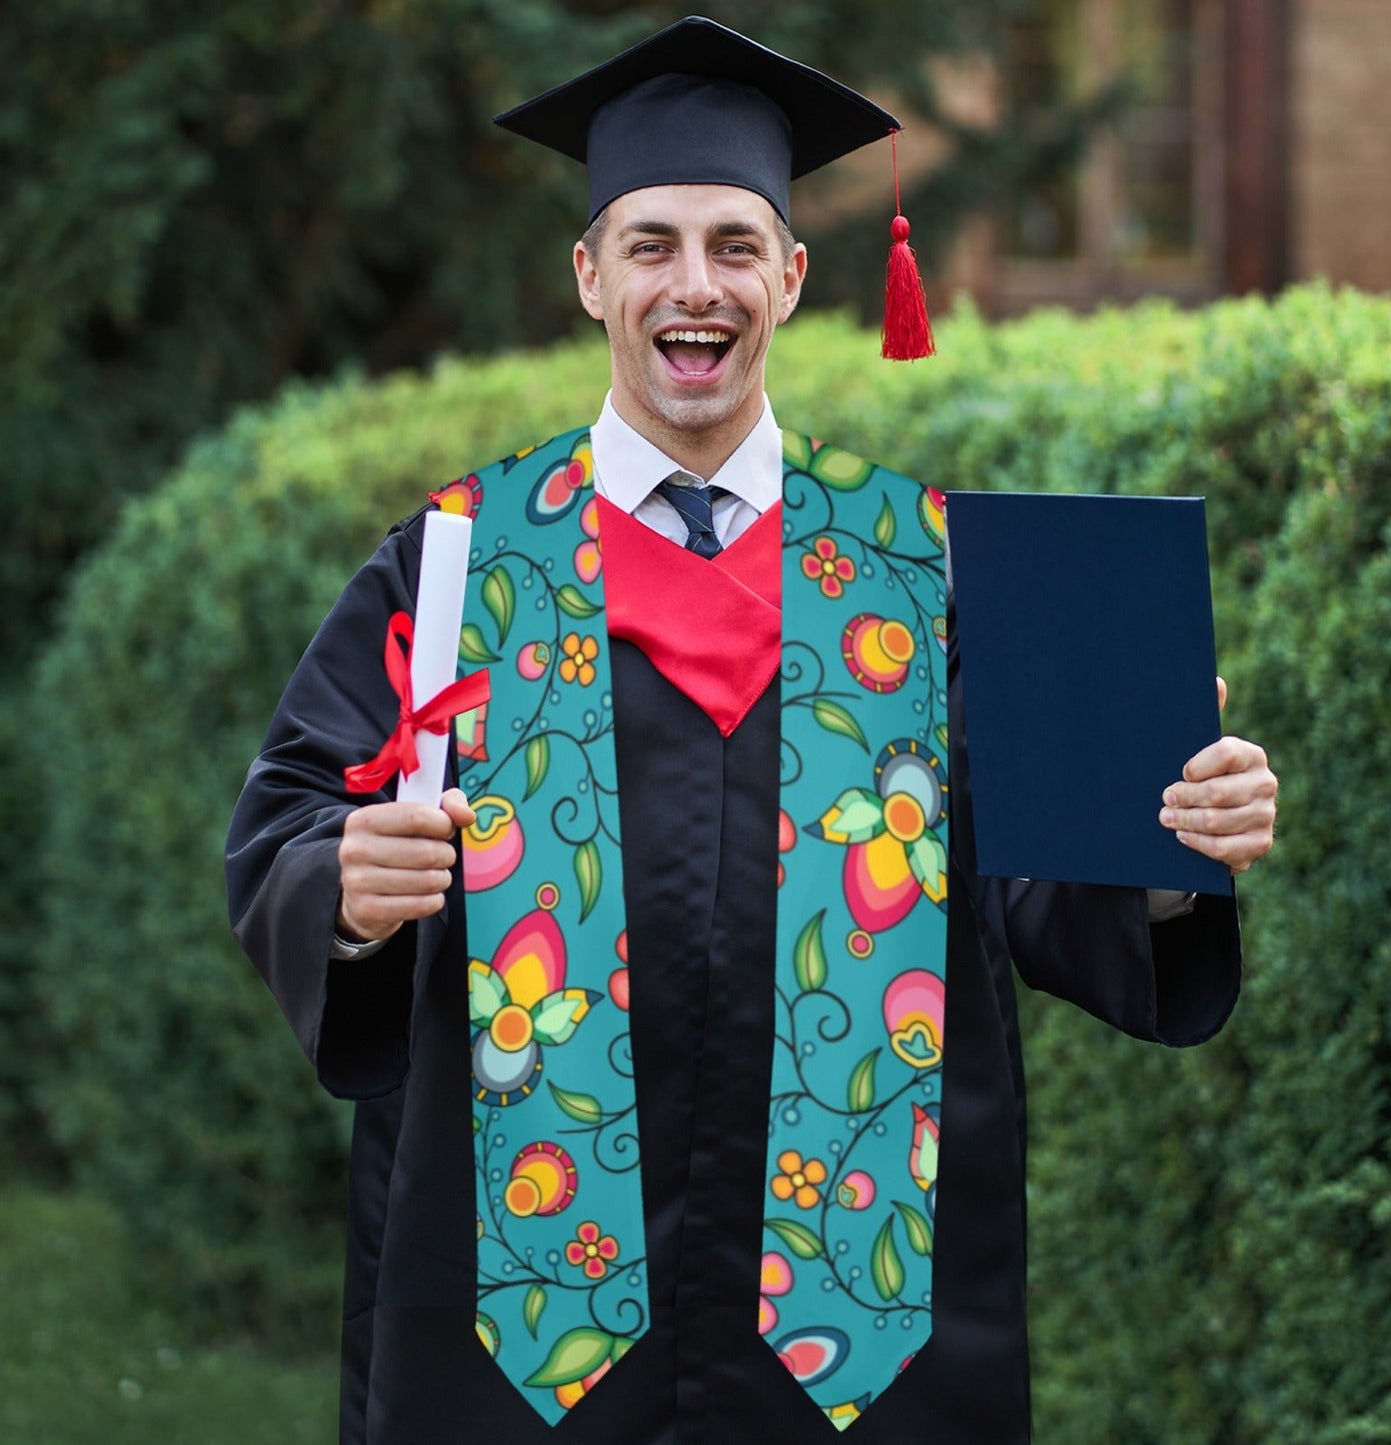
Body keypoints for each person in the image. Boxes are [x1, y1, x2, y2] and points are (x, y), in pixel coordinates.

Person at [225, 17, 1277, 1445]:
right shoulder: (461, 565)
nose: (692, 285)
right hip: (525, 1319)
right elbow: (290, 818)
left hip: (860, 1327)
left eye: (732, 244)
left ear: (789, 275)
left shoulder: (927, 569)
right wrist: (342, 888)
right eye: (650, 244)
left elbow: (1040, 886)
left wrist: (1166, 843)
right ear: (589, 275)